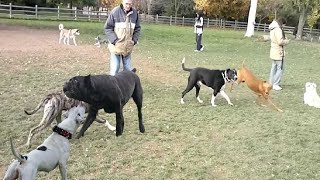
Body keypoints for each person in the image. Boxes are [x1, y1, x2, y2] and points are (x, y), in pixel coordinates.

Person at [104, 0, 141, 76]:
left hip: (128, 47)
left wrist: (134, 40)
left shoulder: (135, 13)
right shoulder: (115, 11)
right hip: (116, 47)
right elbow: (108, 28)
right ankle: (113, 87)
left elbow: (137, 28)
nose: (128, 6)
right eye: (126, 4)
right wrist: (115, 41)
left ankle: (128, 87)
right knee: (115, 69)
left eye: (130, 4)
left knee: (128, 70)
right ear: (123, 2)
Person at [268, 17, 289, 91]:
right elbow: (280, 42)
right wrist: (286, 41)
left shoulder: (272, 29)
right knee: (280, 68)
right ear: (282, 23)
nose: (284, 27)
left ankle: (271, 82)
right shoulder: (278, 30)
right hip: (278, 52)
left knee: (273, 68)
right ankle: (275, 84)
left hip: (273, 51)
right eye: (284, 25)